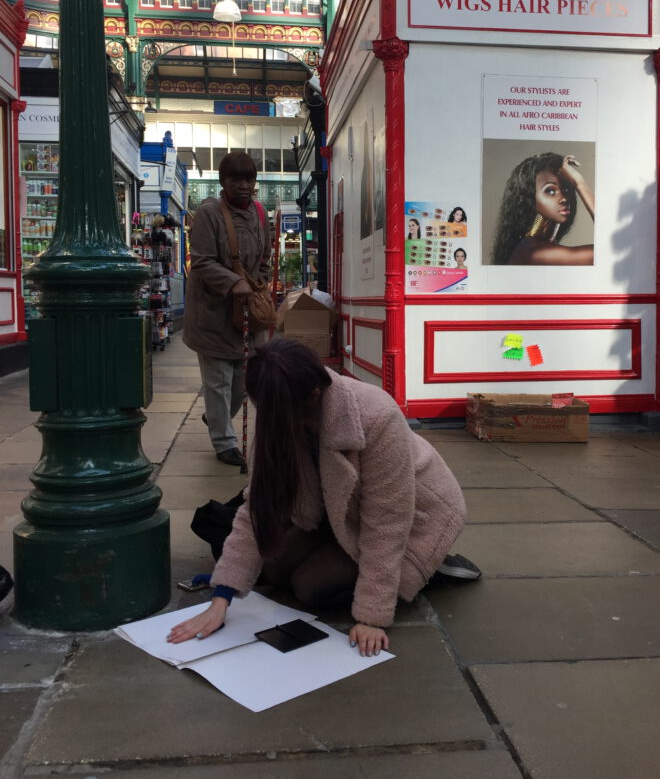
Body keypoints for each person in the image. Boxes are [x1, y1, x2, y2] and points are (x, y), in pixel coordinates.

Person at [167, 339, 481, 656]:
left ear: (313, 395)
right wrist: (222, 599)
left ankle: (428, 568)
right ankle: (344, 553)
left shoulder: (376, 414)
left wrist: (372, 616)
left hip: (419, 517)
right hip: (340, 512)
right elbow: (258, 509)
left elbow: (387, 521)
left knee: (312, 587)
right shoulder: (278, 407)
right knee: (276, 569)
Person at [182, 152, 271, 466]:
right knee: (218, 379)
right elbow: (202, 260)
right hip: (213, 312)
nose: (243, 186)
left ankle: (215, 417)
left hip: (247, 310)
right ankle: (224, 443)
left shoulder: (260, 213)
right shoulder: (209, 214)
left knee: (244, 380)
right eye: (236, 180)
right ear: (223, 182)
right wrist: (233, 282)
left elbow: (264, 259)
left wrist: (260, 282)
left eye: (249, 179)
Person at [491, 152, 595, 265]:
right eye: (550, 191)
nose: (564, 198)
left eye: (565, 189)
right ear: (529, 198)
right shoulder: (533, 253)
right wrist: (579, 183)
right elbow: (608, 252)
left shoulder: (532, 246)